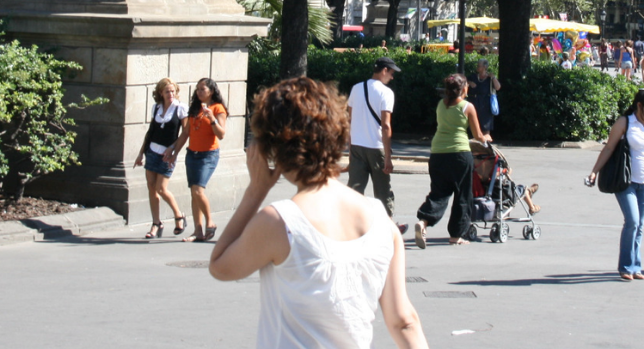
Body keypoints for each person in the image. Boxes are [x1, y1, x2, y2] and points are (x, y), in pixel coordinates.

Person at [208, 77, 429, 349]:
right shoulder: (379, 218)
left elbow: (220, 266)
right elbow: (404, 321)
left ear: (273, 148)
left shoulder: (280, 221)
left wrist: (256, 190)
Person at [587, 88, 644, 280]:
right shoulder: (625, 122)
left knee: (639, 225)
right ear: (639, 105)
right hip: (626, 180)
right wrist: (594, 171)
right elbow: (609, 147)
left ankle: (635, 266)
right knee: (632, 221)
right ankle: (625, 266)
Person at [414, 74, 489, 249]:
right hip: (459, 154)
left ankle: (424, 221)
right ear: (464, 89)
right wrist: (486, 138)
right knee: (462, 194)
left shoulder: (441, 105)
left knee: (439, 192)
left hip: (437, 153)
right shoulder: (467, 107)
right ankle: (456, 235)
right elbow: (477, 135)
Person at [170, 77, 228, 241]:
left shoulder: (218, 108)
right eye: (198, 89)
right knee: (194, 193)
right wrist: (174, 152)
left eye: (202, 89)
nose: (199, 92)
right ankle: (198, 231)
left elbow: (221, 134)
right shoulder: (195, 109)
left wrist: (212, 119)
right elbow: (186, 133)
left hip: (208, 155)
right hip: (192, 154)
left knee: (198, 190)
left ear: (211, 91)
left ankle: (210, 222)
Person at [132, 78, 188, 238]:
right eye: (167, 91)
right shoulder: (156, 108)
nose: (170, 94)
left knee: (161, 189)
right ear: (161, 93)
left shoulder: (181, 109)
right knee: (151, 187)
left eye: (172, 91)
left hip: (167, 154)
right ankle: (156, 223)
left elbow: (185, 133)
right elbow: (150, 132)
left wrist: (173, 151)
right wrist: (141, 152)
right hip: (152, 151)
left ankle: (179, 215)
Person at [348, 57, 400, 217]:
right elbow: (385, 126)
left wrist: (350, 146)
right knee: (382, 191)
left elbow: (349, 118)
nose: (392, 77)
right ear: (384, 70)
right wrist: (388, 157)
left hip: (357, 145)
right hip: (376, 147)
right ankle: (387, 225)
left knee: (354, 189)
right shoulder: (386, 93)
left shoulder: (356, 88)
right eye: (391, 73)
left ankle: (351, 222)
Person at [466, 58, 501, 134]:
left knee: (485, 126)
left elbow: (498, 87)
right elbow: (463, 82)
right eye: (477, 65)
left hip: (485, 104)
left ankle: (486, 143)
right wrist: (469, 83)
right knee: (473, 124)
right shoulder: (472, 77)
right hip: (474, 102)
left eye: (479, 66)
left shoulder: (489, 78)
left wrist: (493, 77)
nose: (477, 67)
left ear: (485, 67)